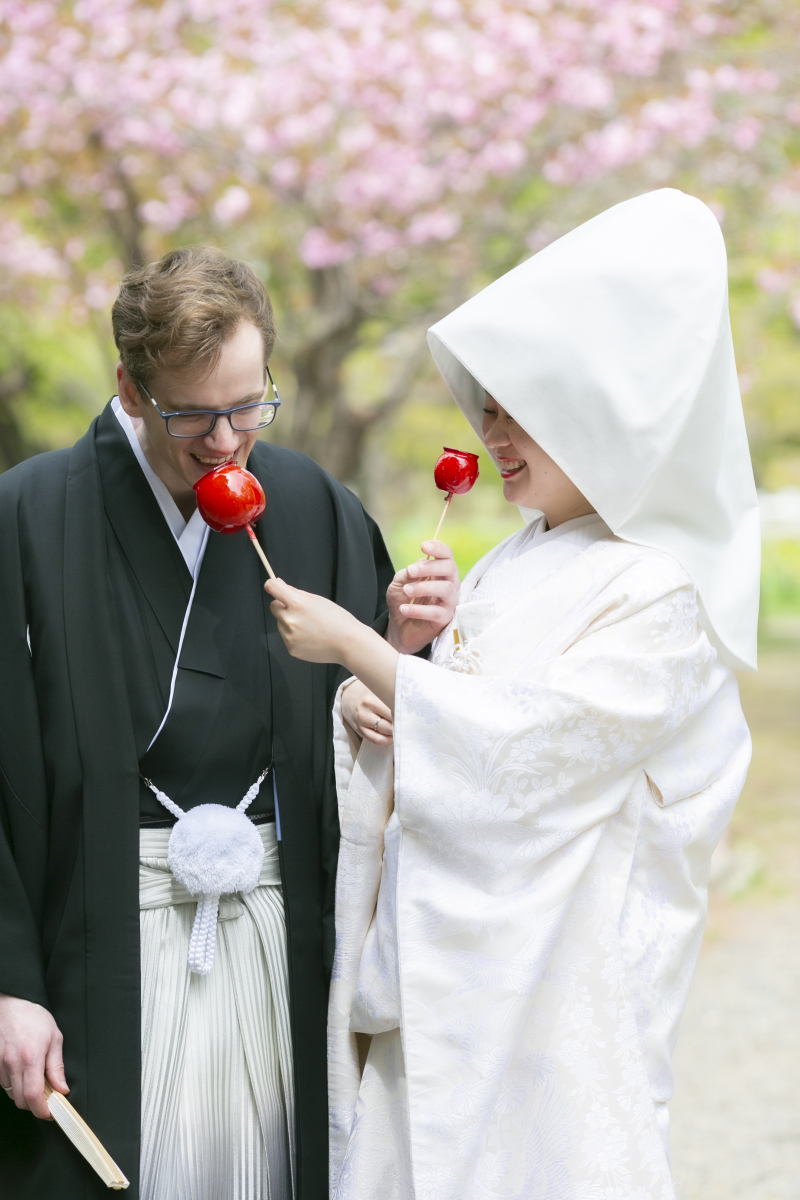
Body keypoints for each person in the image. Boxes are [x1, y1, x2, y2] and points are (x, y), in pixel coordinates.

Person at [263, 189, 760, 1199]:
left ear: (604, 413)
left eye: (517, 409)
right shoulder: (510, 559)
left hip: (557, 990)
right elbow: (448, 729)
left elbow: (532, 752)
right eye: (483, 405)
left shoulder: (662, 591)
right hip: (440, 972)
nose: (488, 431)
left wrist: (359, 650)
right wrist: (387, 683)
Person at [0, 246, 458, 1199]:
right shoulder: (30, 514)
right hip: (94, 938)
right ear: (129, 388)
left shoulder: (313, 505)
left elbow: (374, 728)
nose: (224, 442)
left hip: (279, 932)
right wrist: (10, 982)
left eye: (248, 408)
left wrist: (398, 647)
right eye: (192, 415)